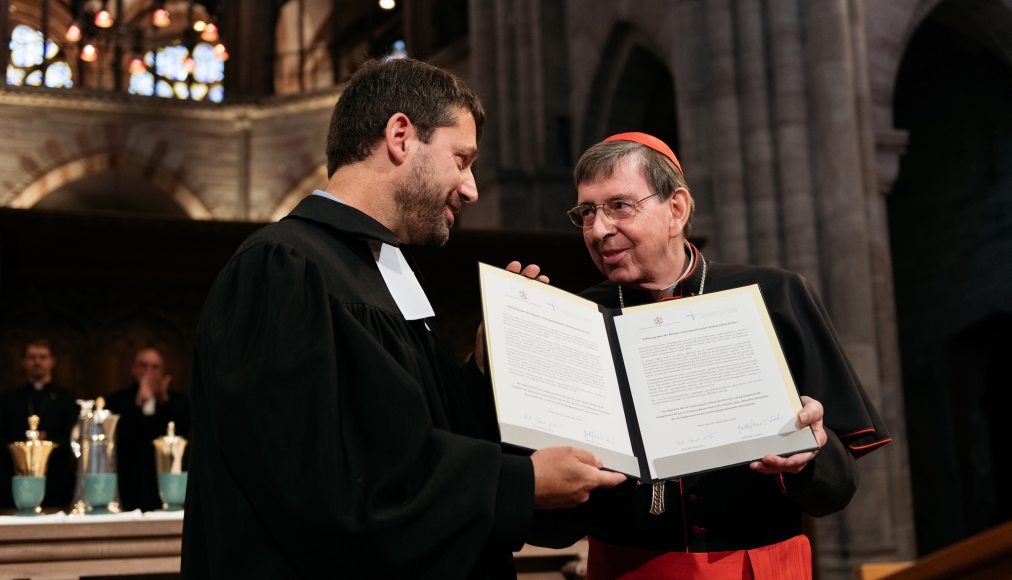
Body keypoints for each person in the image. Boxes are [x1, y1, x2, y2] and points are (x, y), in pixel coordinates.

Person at [181, 58, 625, 579]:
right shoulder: (284, 267)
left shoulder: (381, 267)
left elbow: (415, 430)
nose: (471, 188)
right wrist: (518, 484)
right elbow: (328, 488)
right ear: (400, 136)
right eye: (462, 159)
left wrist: (485, 365)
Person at [529, 133, 892, 579]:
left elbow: (837, 490)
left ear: (676, 209)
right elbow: (552, 512)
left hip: (757, 569)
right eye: (587, 212)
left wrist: (810, 454)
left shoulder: (776, 296)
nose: (599, 229)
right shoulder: (580, 318)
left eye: (619, 206)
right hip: (628, 570)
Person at [105, 347, 190, 511]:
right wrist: (138, 404)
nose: (148, 371)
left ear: (162, 371)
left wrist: (163, 401)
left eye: (154, 367)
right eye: (143, 366)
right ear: (133, 369)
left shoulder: (177, 401)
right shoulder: (117, 400)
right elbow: (119, 438)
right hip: (129, 478)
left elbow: (182, 434)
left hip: (165, 479)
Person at [0, 340, 79, 509]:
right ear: (23, 362)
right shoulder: (9, 399)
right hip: (16, 479)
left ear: (52, 361)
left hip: (57, 480)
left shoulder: (67, 399)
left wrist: (46, 444)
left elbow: (74, 438)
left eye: (43, 357)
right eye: (32, 357)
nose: (37, 362)